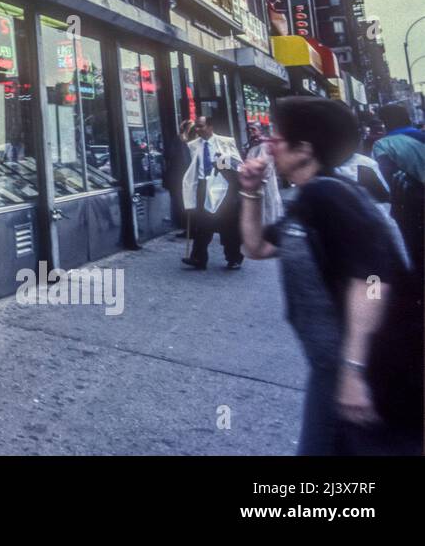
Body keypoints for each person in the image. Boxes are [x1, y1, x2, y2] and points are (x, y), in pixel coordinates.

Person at [238, 98, 422, 456]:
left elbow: (372, 281)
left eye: (277, 137)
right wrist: (250, 191)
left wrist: (354, 370)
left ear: (304, 149)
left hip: (374, 372)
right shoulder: (309, 200)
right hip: (332, 371)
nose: (269, 144)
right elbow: (256, 247)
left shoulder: (331, 196)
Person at [179, 115, 243, 269]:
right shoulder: (193, 145)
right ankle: (198, 258)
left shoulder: (225, 142)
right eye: (197, 127)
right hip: (203, 186)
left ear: (210, 127)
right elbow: (192, 169)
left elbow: (238, 165)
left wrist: (221, 162)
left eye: (201, 126)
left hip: (223, 186)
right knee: (202, 224)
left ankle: (233, 258)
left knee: (228, 225)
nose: (198, 130)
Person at [371, 104, 425, 274]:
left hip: (410, 209)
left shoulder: (382, 145)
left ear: (385, 121)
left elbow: (388, 179)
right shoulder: (422, 136)